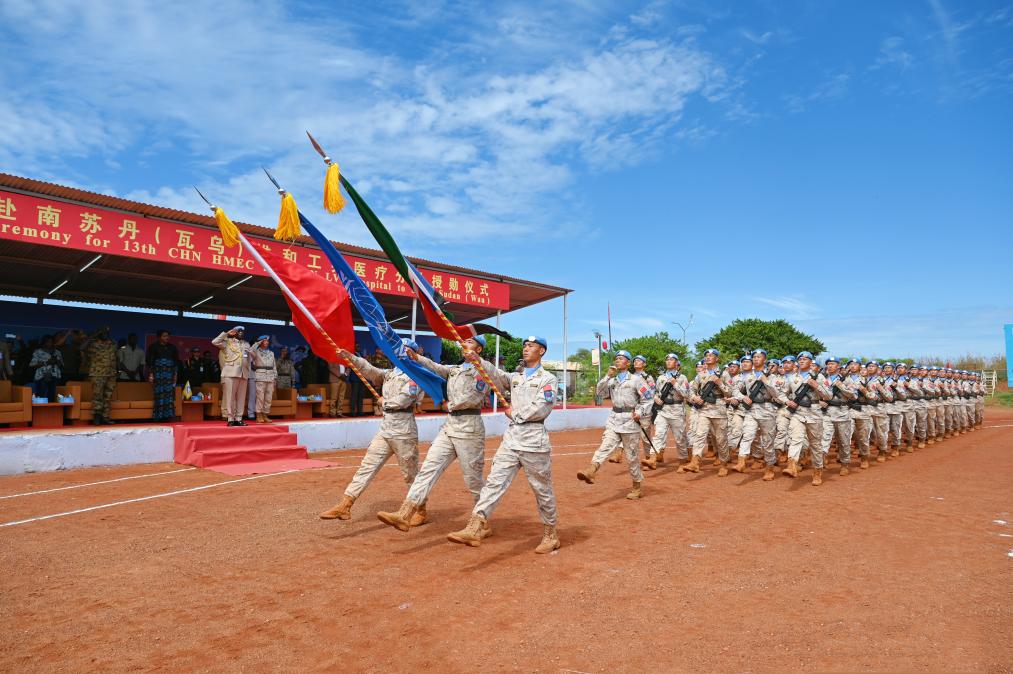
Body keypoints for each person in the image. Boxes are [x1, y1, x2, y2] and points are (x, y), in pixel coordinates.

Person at [447, 336, 560, 554]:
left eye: (531, 346)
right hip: (511, 439)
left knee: (542, 490)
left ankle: (550, 533)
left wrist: (515, 414)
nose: (526, 348)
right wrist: (477, 359)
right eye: (525, 345)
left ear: (542, 351)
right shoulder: (515, 377)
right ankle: (476, 524)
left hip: (534, 440)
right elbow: (495, 375)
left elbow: (543, 406)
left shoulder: (548, 379)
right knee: (494, 483)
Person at [377, 335, 493, 532]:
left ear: (479, 349)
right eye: (464, 342)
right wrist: (416, 358)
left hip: (469, 428)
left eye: (470, 342)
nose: (465, 344)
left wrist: (451, 404)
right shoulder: (455, 370)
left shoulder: (484, 369)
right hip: (450, 427)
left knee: (473, 480)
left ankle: (481, 523)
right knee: (428, 469)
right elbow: (437, 368)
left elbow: (475, 396)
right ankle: (405, 512)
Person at [319, 339, 427, 522]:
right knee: (366, 466)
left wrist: (385, 402)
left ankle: (421, 510)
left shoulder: (416, 375)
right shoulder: (391, 374)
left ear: (413, 354)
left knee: (410, 474)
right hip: (386, 429)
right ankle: (345, 505)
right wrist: (351, 358)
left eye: (405, 349)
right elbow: (370, 371)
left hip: (404, 430)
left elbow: (406, 398)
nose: (399, 352)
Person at [577, 350, 648, 499]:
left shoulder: (636, 380)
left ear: (628, 363)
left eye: (621, 358)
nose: (618, 360)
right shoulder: (612, 380)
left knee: (631, 456)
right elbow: (599, 393)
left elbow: (647, 399)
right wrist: (608, 375)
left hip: (630, 420)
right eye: (616, 358)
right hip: (614, 419)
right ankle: (591, 470)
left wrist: (640, 412)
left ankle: (637, 486)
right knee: (605, 446)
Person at [679, 348, 731, 476]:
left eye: (711, 355)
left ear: (717, 359)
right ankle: (695, 462)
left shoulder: (724, 374)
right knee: (700, 434)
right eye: (706, 355)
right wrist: (694, 397)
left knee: (721, 439)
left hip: (719, 409)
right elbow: (691, 390)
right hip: (704, 409)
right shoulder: (700, 375)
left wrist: (719, 383)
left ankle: (724, 464)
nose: (708, 357)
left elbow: (729, 392)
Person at [781, 351, 830, 485]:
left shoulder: (819, 377)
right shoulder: (791, 378)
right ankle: (791, 465)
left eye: (805, 359)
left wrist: (817, 386)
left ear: (811, 362)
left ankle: (817, 472)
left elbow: (828, 396)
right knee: (795, 438)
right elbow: (782, 393)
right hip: (797, 412)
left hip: (814, 413)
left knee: (815, 445)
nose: (802, 361)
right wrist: (787, 401)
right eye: (800, 359)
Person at [734, 349, 782, 480]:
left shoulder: (773, 377)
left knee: (768, 442)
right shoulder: (748, 376)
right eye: (754, 357)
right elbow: (735, 390)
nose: (756, 359)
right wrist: (743, 398)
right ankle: (741, 461)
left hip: (767, 410)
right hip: (751, 409)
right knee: (747, 435)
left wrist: (765, 381)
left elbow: (777, 394)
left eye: (759, 357)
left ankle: (770, 467)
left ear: (764, 360)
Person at [645, 353, 691, 468]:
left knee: (680, 438)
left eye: (672, 359)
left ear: (676, 363)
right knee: (658, 435)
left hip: (677, 411)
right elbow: (655, 392)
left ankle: (682, 461)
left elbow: (686, 394)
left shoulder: (682, 378)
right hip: (663, 410)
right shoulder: (661, 378)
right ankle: (652, 459)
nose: (669, 361)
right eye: (667, 360)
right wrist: (656, 398)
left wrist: (675, 384)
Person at [821, 356, 858, 476]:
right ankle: (820, 462)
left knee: (843, 441)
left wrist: (841, 386)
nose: (830, 366)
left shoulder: (847, 380)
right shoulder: (823, 378)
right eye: (828, 364)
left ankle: (844, 463)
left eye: (833, 364)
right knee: (824, 438)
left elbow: (854, 396)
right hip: (827, 412)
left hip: (842, 412)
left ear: (838, 366)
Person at [213, 326, 251, 427]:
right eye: (239, 331)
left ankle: (239, 418)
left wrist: (248, 370)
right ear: (234, 332)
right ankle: (230, 418)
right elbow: (215, 342)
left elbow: (248, 359)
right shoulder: (227, 342)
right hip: (231, 372)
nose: (241, 333)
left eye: (243, 332)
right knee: (230, 397)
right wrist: (226, 333)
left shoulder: (247, 344)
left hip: (243, 373)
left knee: (241, 398)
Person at [81, 327, 117, 425]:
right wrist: (95, 334)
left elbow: (115, 351)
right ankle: (96, 417)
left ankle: (105, 417)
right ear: (99, 333)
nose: (105, 334)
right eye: (103, 332)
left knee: (107, 397)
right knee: (98, 396)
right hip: (98, 373)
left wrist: (106, 331)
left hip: (111, 373)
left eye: (106, 333)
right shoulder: (93, 344)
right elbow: (82, 347)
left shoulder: (112, 343)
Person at [146, 329, 179, 422]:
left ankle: (168, 416)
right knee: (159, 393)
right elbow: (150, 362)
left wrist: (175, 374)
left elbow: (176, 362)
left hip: (169, 374)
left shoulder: (172, 347)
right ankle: (158, 416)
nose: (167, 338)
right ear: (159, 337)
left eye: (168, 336)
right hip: (158, 374)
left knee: (169, 394)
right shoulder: (153, 347)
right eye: (164, 336)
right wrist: (151, 374)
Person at [29, 335, 63, 403]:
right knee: (43, 395)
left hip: (55, 376)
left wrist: (56, 361)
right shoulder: (38, 352)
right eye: (48, 342)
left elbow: (61, 365)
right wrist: (47, 362)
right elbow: (32, 365)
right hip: (42, 377)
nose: (50, 343)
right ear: (43, 343)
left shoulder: (57, 352)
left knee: (53, 395)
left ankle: (52, 411)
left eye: (51, 342)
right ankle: (42, 411)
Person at [251, 335, 277, 423]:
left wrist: (275, 377)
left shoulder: (271, 353)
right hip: (260, 376)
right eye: (265, 341)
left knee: (268, 398)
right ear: (261, 342)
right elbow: (250, 350)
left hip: (270, 377)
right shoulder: (256, 352)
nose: (267, 342)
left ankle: (265, 414)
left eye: (267, 341)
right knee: (260, 397)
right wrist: (257, 343)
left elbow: (274, 366)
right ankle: (258, 415)